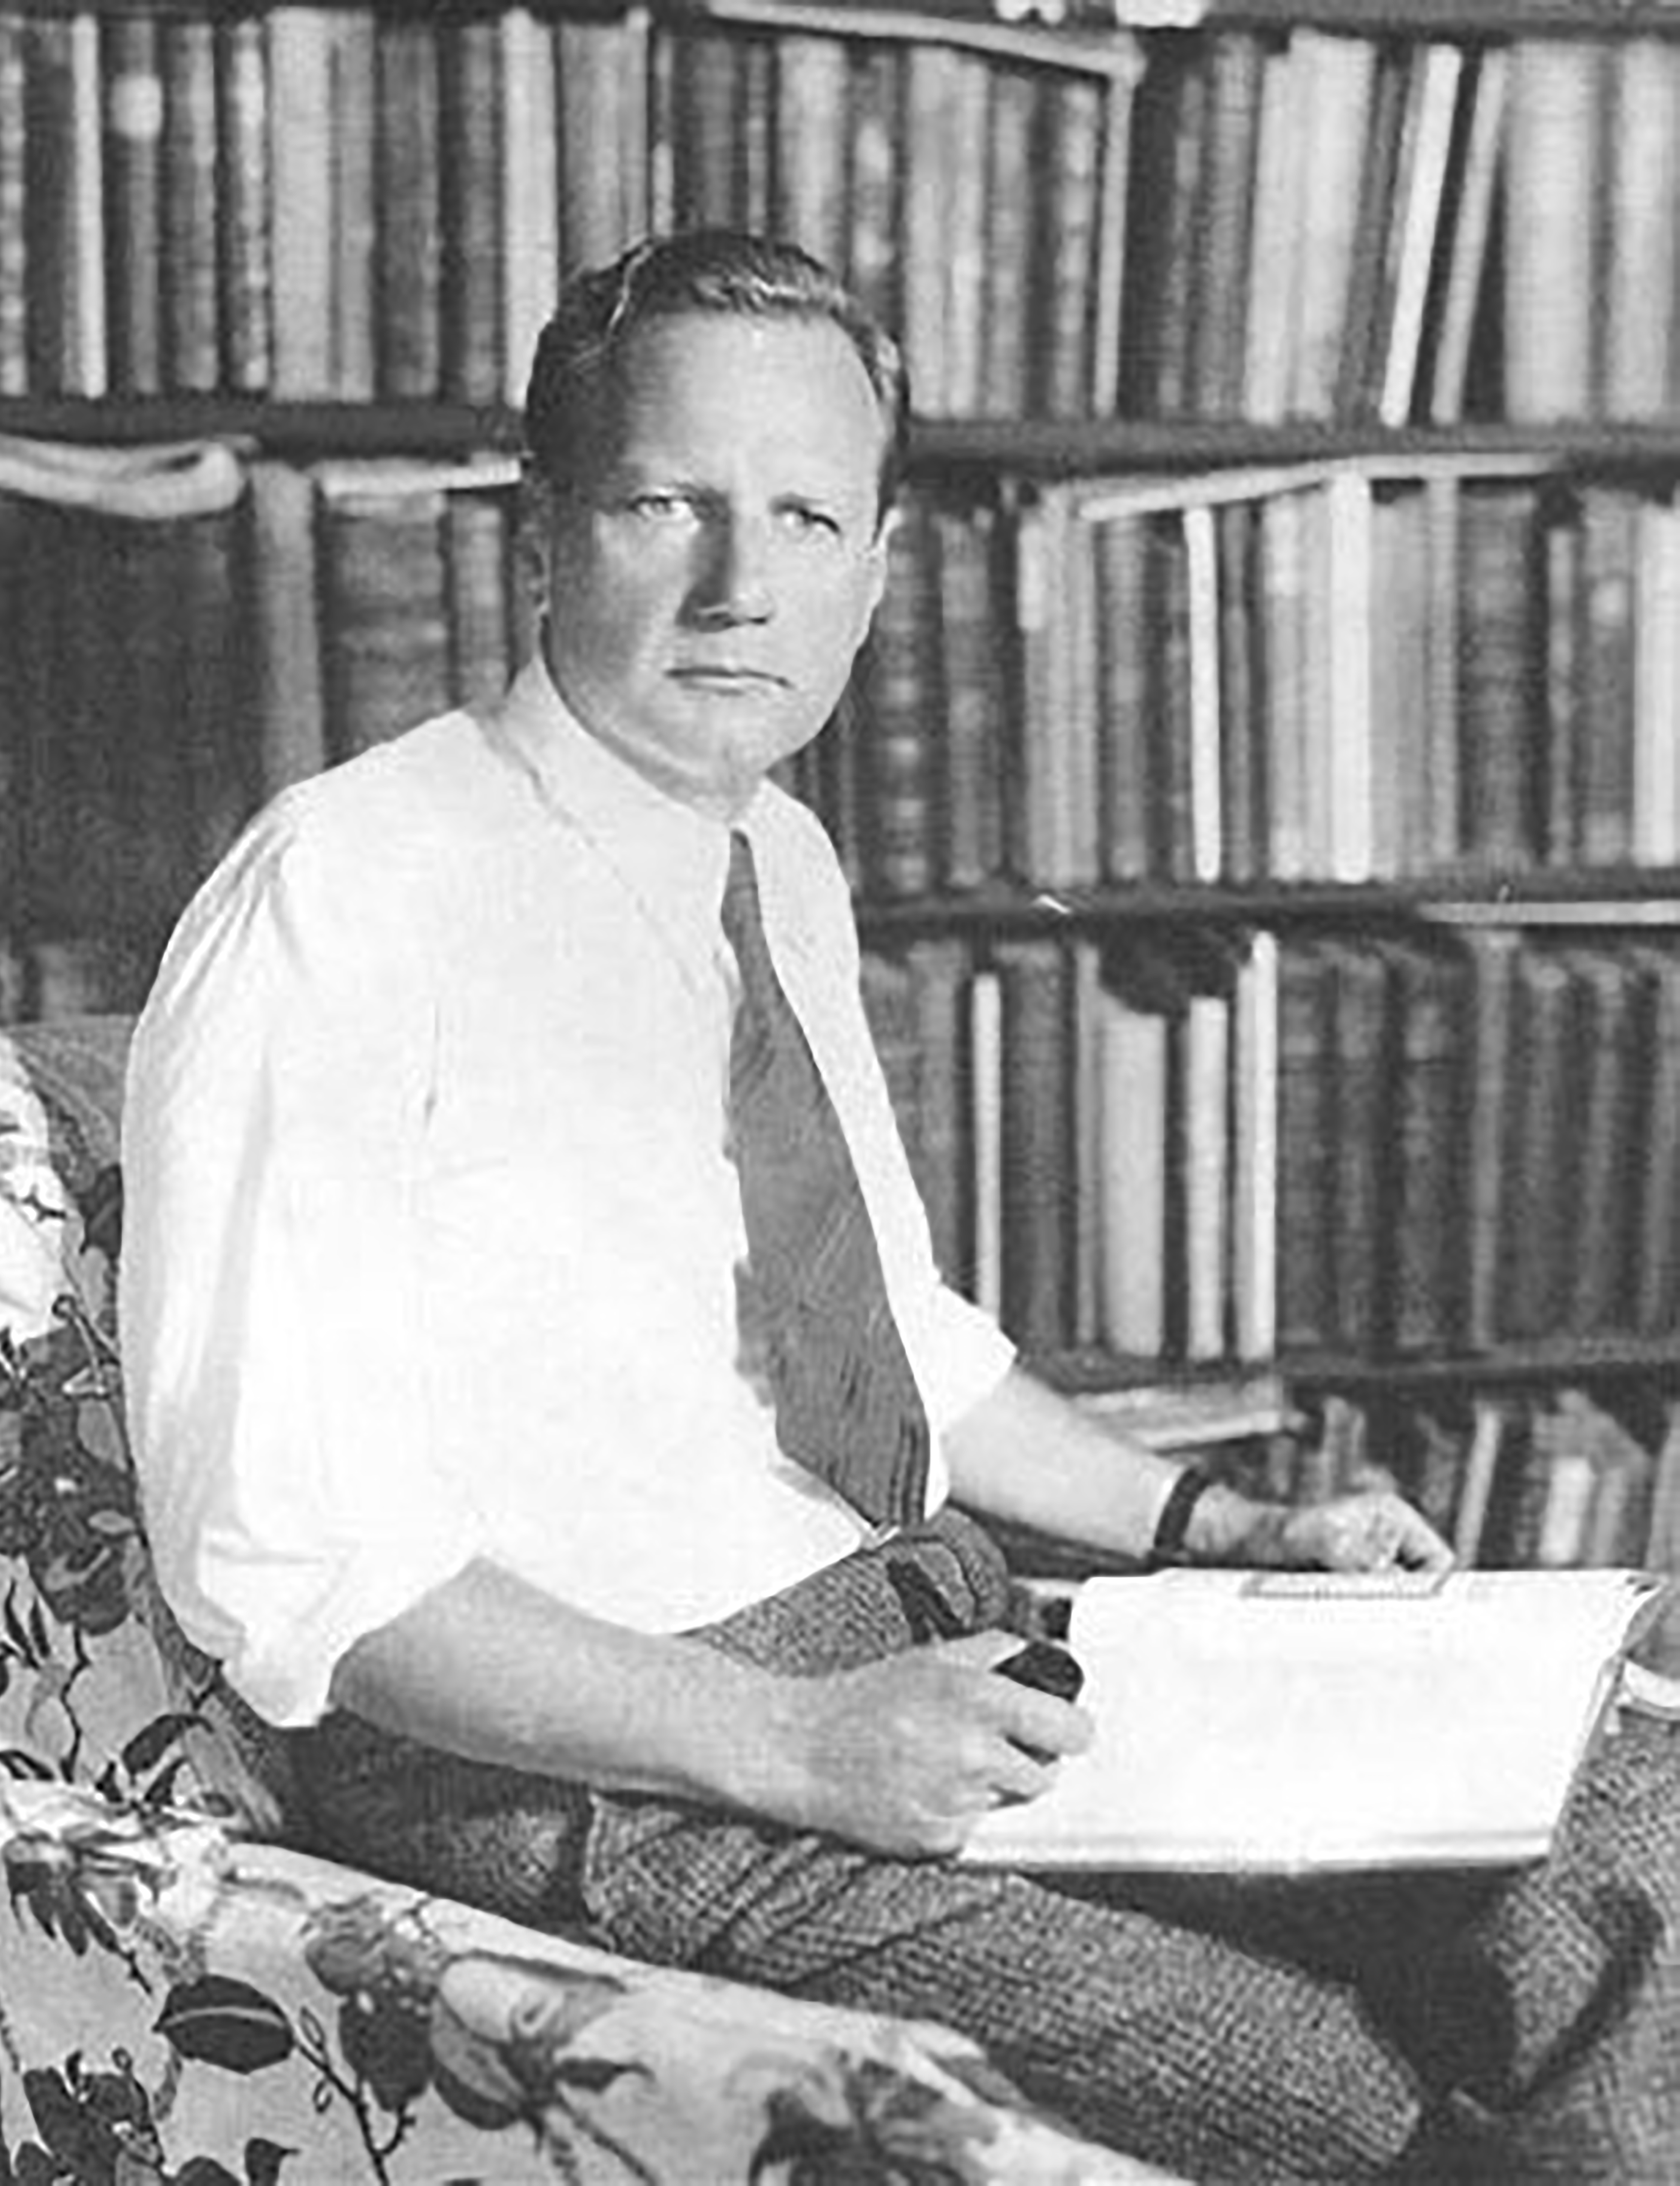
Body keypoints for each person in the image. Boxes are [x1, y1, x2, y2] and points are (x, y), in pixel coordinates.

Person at [121, 230, 1680, 2182]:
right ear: (542, 527)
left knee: (1630, 1817)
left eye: (803, 515)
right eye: (664, 503)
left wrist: (1226, 1519)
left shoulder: (773, 854)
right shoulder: (344, 898)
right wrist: (794, 1745)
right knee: (1345, 2098)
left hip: (921, 1649)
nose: (737, 586)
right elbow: (299, 1567)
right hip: (576, 1768)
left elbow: (900, 1348)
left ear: (875, 567)